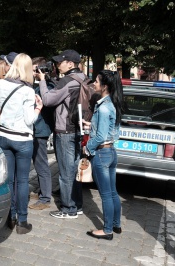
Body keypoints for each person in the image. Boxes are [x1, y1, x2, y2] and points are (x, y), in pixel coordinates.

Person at [0, 53, 43, 234]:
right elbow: (30, 120)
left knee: (8, 180)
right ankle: (22, 221)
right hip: (22, 140)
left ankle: (10, 216)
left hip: (4, 137)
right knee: (22, 181)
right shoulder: (28, 91)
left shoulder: (0, 84)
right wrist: (38, 108)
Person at [38, 49, 84, 219]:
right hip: (79, 128)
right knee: (74, 170)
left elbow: (48, 100)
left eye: (60, 62)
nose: (57, 65)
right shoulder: (84, 78)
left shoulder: (67, 80)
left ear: (70, 64)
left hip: (65, 130)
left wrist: (43, 81)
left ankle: (68, 208)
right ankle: (77, 205)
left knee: (65, 172)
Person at [83, 70, 123, 240]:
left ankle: (107, 230)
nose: (94, 84)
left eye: (97, 82)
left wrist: (87, 148)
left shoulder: (104, 107)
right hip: (111, 151)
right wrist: (90, 125)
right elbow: (110, 132)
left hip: (102, 153)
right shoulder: (111, 105)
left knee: (106, 194)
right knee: (113, 192)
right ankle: (116, 224)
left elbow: (100, 137)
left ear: (105, 86)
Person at [28, 57, 55, 210]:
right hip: (37, 129)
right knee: (39, 163)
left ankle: (45, 198)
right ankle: (42, 192)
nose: (33, 73)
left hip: (41, 130)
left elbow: (45, 102)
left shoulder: (48, 86)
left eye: (34, 70)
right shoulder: (40, 85)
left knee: (41, 163)